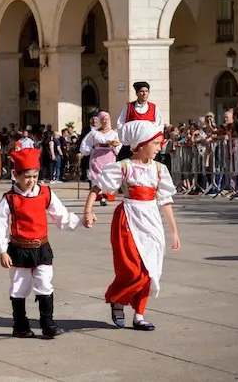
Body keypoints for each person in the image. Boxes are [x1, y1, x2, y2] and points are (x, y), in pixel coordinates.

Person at [82, 120, 181, 331]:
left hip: (151, 220)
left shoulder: (160, 169)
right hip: (128, 218)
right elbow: (97, 188)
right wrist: (88, 211)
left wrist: (173, 231)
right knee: (132, 269)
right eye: (155, 143)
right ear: (141, 144)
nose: (159, 147)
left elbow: (165, 200)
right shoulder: (124, 167)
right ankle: (117, 299)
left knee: (149, 269)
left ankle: (139, 315)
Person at [0, 147, 80, 338]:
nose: (31, 181)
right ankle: (20, 325)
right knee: (19, 286)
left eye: (35, 176)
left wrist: (80, 221)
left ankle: (48, 324)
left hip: (42, 248)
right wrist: (2, 251)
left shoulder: (45, 193)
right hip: (19, 249)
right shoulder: (10, 199)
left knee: (45, 283)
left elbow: (60, 215)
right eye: (27, 176)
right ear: (16, 175)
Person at [79, 111, 122, 206]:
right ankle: (100, 197)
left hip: (109, 156)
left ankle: (106, 195)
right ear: (100, 121)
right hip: (97, 157)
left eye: (107, 119)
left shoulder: (114, 133)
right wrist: (87, 151)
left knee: (108, 175)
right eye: (103, 119)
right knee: (97, 176)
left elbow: (118, 145)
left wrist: (115, 146)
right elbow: (86, 145)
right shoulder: (94, 133)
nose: (105, 121)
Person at [116, 81, 163, 161]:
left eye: (146, 91)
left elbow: (159, 126)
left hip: (148, 146)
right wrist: (126, 141)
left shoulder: (154, 108)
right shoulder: (128, 107)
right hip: (132, 146)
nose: (144, 94)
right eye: (142, 91)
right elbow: (120, 124)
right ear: (137, 93)